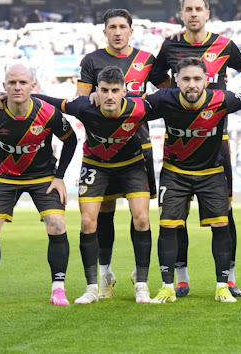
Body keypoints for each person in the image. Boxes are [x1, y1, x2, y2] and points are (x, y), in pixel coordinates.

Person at [149, 0, 241, 298]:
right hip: (179, 140)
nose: (193, 14)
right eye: (188, 9)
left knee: (224, 213)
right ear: (181, 14)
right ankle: (180, 277)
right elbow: (154, 78)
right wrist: (181, 101)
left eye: (198, 9)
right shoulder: (170, 45)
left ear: (207, 14)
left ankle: (227, 277)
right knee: (174, 218)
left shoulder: (224, 45)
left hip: (218, 139)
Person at [33, 66, 157, 304]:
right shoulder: (83, 106)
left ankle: (141, 284)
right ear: (96, 91)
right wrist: (13, 96)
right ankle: (92, 287)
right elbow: (50, 100)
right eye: (104, 90)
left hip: (131, 165)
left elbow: (171, 101)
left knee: (141, 218)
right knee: (88, 222)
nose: (109, 96)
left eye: (114, 90)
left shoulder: (139, 107)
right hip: (96, 165)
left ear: (124, 92)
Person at [146, 57, 241, 304]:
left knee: (221, 226)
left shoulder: (222, 99)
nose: (192, 84)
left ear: (207, 80)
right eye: (186, 79)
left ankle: (222, 286)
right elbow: (132, 109)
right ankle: (166, 286)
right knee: (168, 227)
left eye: (197, 79)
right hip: (175, 173)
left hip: (212, 173)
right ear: (176, 80)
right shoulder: (163, 99)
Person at [0, 64, 77, 307]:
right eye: (12, 82)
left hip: (43, 176)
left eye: (23, 83)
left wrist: (59, 176)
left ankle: (58, 289)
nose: (17, 87)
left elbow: (71, 140)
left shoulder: (48, 113)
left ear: (33, 86)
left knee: (57, 224)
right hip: (5, 177)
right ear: (4, 86)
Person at [76, 8, 161, 299]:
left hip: (139, 147)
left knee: (141, 215)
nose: (117, 31)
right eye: (112, 26)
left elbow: (168, 92)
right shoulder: (91, 60)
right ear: (105, 31)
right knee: (104, 213)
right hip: (101, 149)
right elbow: (81, 99)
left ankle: (141, 275)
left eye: (122, 26)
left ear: (130, 30)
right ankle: (105, 274)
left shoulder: (146, 60)